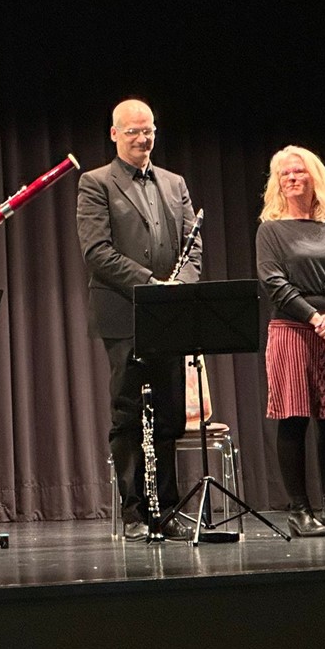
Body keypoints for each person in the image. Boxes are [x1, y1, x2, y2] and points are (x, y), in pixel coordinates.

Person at [76, 98, 199, 542]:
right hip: (123, 312)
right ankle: (134, 511)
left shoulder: (175, 183)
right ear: (114, 134)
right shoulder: (95, 183)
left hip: (169, 314)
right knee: (129, 414)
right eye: (132, 131)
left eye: (148, 131)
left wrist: (180, 284)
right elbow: (97, 251)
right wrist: (149, 284)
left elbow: (193, 245)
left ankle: (167, 509)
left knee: (169, 417)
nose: (142, 138)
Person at [256, 145, 325, 537]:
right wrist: (316, 318)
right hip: (294, 329)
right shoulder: (270, 230)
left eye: (298, 171)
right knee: (294, 417)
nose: (291, 178)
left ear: (314, 178)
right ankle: (299, 512)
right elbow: (274, 282)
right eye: (284, 173)